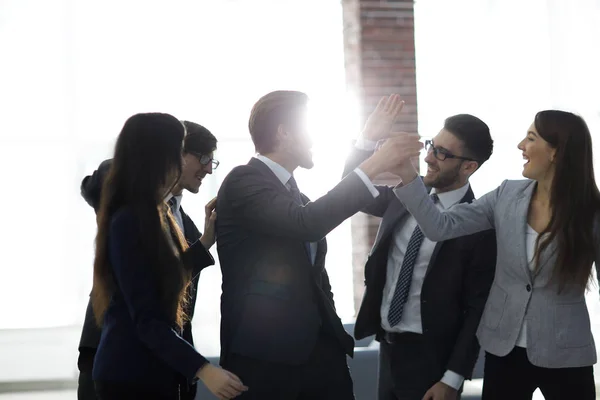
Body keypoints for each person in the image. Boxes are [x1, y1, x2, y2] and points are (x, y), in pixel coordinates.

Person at [215, 92, 420, 399]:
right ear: (284, 131)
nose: (314, 139)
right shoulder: (244, 181)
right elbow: (308, 222)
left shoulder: (295, 196)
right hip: (266, 364)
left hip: (322, 358)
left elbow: (316, 250)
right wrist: (377, 162)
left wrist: (367, 141)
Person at [391, 110, 599, 400]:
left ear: (556, 152)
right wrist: (406, 176)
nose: (520, 146)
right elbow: (440, 226)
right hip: (504, 348)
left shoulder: (592, 213)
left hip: (566, 351)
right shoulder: (507, 195)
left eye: (531, 138)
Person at [90, 113, 247, 400]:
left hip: (156, 370)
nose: (181, 161)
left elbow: (167, 280)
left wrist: (205, 241)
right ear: (156, 157)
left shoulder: (159, 214)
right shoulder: (129, 220)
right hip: (130, 375)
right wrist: (203, 369)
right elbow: (147, 318)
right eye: (177, 151)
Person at [344, 111, 497, 400]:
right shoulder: (405, 195)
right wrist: (367, 139)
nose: (428, 157)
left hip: (433, 362)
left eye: (442, 153)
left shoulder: (479, 224)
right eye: (431, 145)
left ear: (469, 167)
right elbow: (351, 191)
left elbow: (478, 310)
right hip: (388, 349)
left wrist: (452, 379)